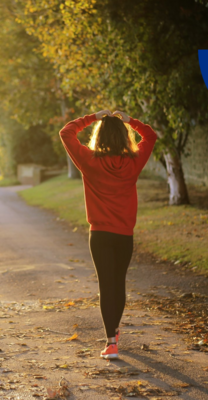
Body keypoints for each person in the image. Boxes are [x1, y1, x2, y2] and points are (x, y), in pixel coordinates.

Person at [59, 109, 158, 360]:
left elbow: (66, 132)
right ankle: (114, 332)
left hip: (100, 235)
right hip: (124, 235)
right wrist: (130, 121)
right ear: (124, 137)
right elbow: (151, 135)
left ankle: (111, 342)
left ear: (99, 137)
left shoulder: (89, 160)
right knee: (118, 283)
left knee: (106, 285)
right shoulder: (134, 162)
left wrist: (93, 117)